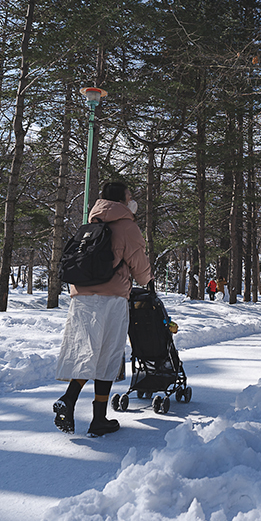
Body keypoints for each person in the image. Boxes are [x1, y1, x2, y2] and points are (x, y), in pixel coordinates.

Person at [53, 182, 153, 437]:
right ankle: (98, 418)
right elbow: (140, 268)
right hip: (111, 299)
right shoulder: (127, 226)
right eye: (130, 196)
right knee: (108, 356)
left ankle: (69, 398)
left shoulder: (90, 225)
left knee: (87, 352)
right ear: (122, 200)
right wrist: (148, 281)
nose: (132, 201)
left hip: (81, 297)